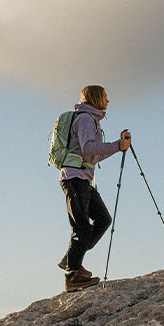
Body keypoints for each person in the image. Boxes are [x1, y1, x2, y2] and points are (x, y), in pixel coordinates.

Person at [49, 85, 132, 291]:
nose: (108, 100)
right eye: (105, 96)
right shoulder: (86, 119)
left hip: (83, 178)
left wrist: (117, 145)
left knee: (103, 219)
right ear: (96, 98)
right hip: (74, 177)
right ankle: (73, 275)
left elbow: (93, 155)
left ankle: (71, 259)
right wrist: (117, 146)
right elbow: (88, 150)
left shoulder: (91, 120)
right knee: (82, 227)